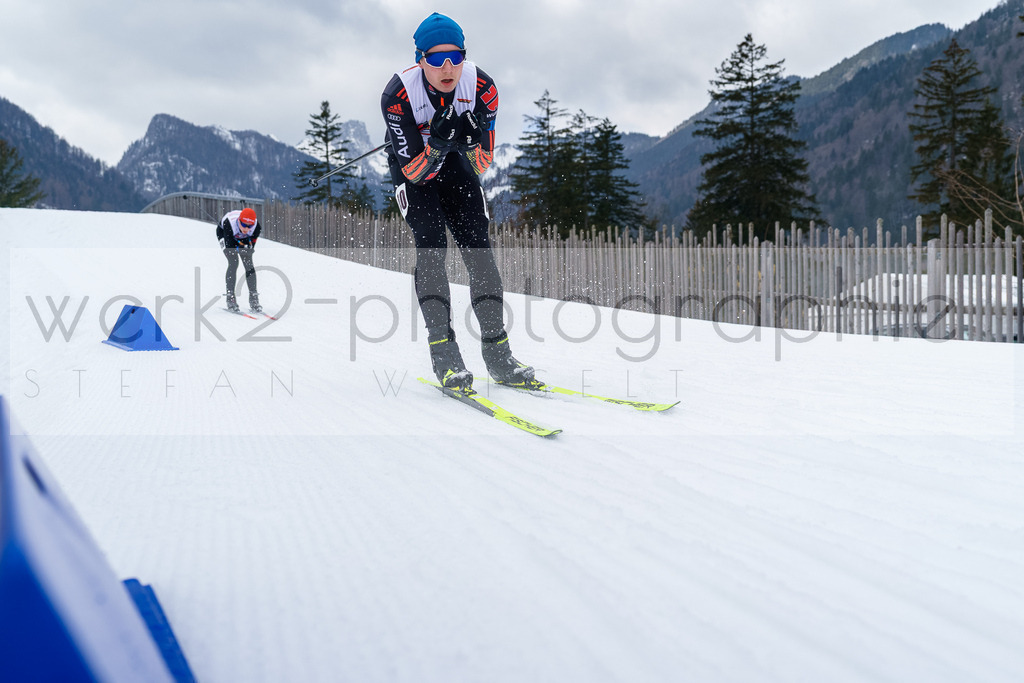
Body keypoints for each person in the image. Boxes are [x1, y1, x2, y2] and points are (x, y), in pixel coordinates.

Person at [380, 12, 534, 390]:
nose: (447, 67)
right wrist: (436, 144)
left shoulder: (482, 87)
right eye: (436, 58)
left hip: (456, 165)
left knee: (478, 250)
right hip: (414, 168)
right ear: (420, 60)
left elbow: (482, 163)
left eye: (456, 56)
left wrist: (468, 144)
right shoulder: (398, 94)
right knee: (432, 244)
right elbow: (416, 174)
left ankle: (498, 355)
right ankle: (445, 355)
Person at [216, 207, 263, 313]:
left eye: (249, 226)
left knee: (249, 264)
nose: (246, 228)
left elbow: (251, 247)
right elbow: (230, 246)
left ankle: (254, 299)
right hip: (225, 233)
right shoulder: (229, 223)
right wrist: (239, 246)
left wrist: (246, 247)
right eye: (244, 225)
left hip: (241, 238)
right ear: (239, 221)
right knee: (233, 262)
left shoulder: (256, 228)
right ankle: (230, 298)